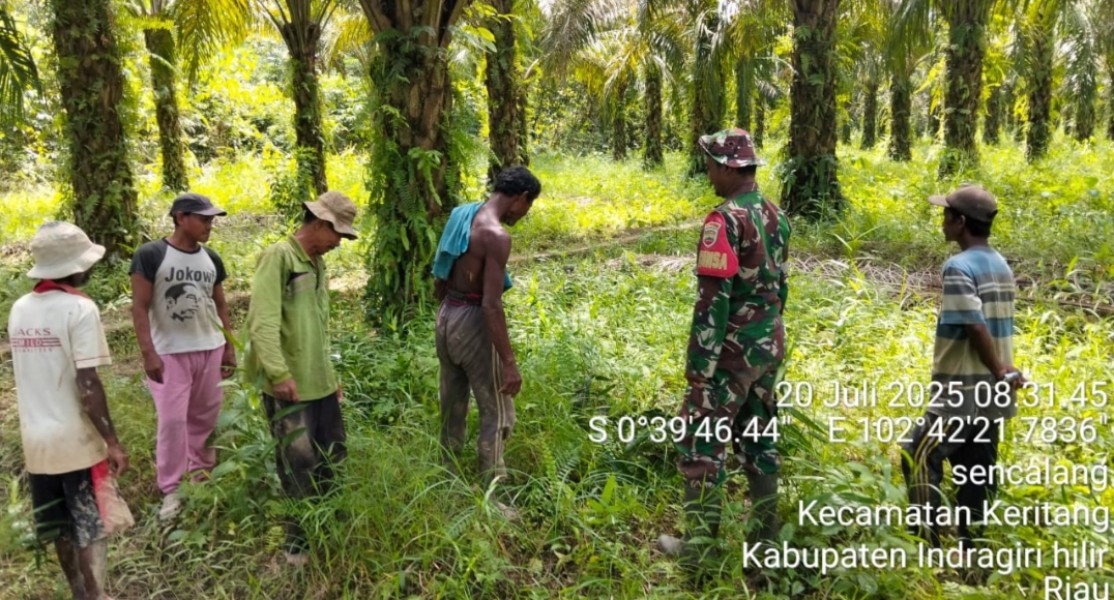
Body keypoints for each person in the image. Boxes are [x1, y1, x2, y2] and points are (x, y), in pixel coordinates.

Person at [658, 129, 791, 570]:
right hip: (768, 345)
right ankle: (765, 549)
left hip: (730, 352)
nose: (708, 175)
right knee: (759, 440)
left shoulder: (724, 221)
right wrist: (767, 335)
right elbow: (781, 286)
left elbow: (712, 300)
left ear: (727, 168)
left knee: (701, 444)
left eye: (711, 166)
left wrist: (700, 366)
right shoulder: (776, 215)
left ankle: (698, 552)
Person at [8, 222, 129, 600]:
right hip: (75, 441)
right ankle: (95, 594)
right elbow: (88, 384)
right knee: (89, 525)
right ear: (75, 268)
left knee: (59, 525)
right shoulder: (79, 308)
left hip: (36, 441)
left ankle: (78, 590)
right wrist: (112, 441)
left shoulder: (20, 308)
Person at [902, 185, 1021, 548]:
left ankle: (926, 543)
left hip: (961, 392)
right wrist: (1002, 373)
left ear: (961, 222)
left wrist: (998, 368)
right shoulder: (1000, 264)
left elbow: (975, 325)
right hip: (992, 393)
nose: (943, 222)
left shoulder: (958, 267)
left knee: (917, 454)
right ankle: (973, 546)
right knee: (977, 469)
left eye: (947, 215)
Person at [245, 190, 358, 566]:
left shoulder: (316, 264)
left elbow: (318, 327)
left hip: (320, 383)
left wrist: (331, 376)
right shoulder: (279, 257)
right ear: (321, 223)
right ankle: (297, 545)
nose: (339, 243)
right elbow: (262, 322)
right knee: (298, 464)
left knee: (333, 456)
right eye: (337, 234)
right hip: (290, 385)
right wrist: (278, 374)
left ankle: (328, 528)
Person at [431, 166, 541, 488]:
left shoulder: (461, 215)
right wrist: (509, 363)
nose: (524, 213)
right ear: (521, 198)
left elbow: (441, 272)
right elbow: (491, 305)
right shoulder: (496, 236)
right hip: (472, 320)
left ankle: (447, 482)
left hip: (446, 316)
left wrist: (448, 312)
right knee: (496, 411)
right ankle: (492, 491)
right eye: (529, 205)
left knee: (452, 406)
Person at [130, 193, 235, 522]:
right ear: (180, 217)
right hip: (170, 352)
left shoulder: (211, 259)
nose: (209, 225)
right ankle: (172, 489)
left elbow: (220, 304)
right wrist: (148, 353)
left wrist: (229, 346)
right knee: (173, 421)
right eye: (203, 219)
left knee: (205, 417)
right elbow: (139, 307)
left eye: (211, 220)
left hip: (210, 347)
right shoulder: (151, 255)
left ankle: (202, 476)